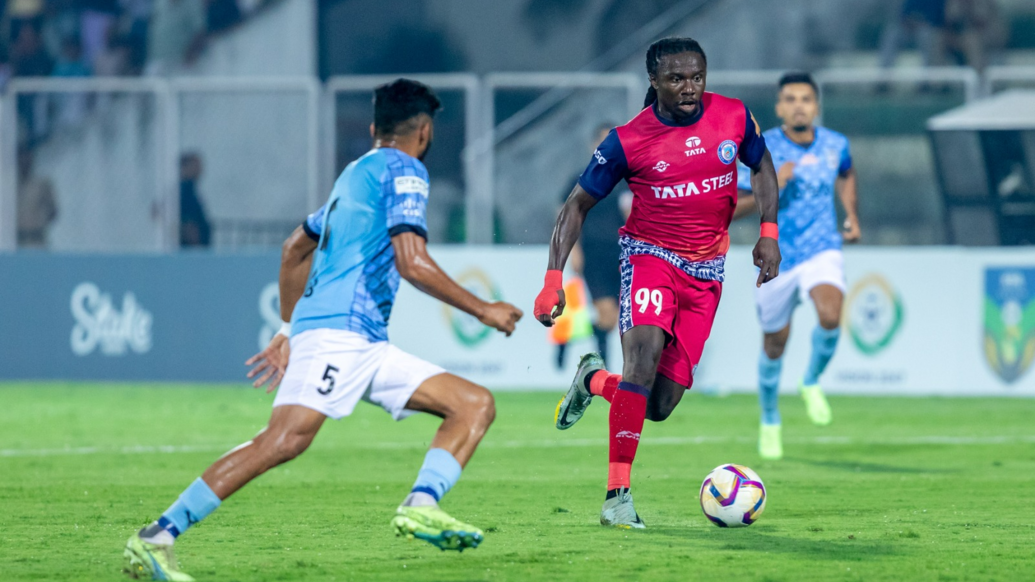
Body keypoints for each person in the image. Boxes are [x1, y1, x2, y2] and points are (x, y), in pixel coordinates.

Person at [123, 79, 524, 581]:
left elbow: (294, 247)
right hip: (341, 334)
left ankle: (421, 504)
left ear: (376, 128)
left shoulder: (354, 175)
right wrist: (482, 309)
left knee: (472, 404)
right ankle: (157, 536)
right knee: (283, 441)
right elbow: (412, 261)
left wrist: (290, 327)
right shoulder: (406, 170)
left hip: (361, 339)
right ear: (424, 131)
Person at [535, 37, 781, 529]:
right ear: (654, 81)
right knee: (641, 362)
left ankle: (592, 380)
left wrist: (769, 233)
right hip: (650, 258)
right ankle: (617, 499)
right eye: (676, 78)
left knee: (659, 405)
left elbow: (763, 165)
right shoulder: (628, 140)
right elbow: (575, 205)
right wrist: (552, 278)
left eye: (696, 77)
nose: (688, 88)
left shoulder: (733, 116)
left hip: (707, 271)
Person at [733, 72, 860, 461]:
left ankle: (811, 380)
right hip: (776, 257)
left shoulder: (836, 144)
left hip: (822, 248)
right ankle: (770, 418)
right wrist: (773, 186)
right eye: (790, 99)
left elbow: (846, 172)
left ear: (816, 106)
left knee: (830, 313)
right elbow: (734, 209)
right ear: (779, 107)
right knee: (775, 343)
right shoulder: (762, 147)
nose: (798, 105)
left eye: (805, 98)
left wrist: (851, 213)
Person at [554, 123, 632, 369]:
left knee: (619, 318)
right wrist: (573, 250)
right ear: (593, 146)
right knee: (607, 314)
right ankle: (603, 368)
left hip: (622, 255)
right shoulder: (581, 179)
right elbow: (564, 214)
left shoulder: (627, 180)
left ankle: (569, 336)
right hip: (594, 254)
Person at [16, 146, 57, 248]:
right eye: (21, 157)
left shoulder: (42, 184)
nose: (24, 161)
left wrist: (37, 221)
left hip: (37, 240)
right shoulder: (9, 186)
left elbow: (53, 211)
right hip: (16, 240)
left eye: (27, 157)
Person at [178, 152, 211, 247]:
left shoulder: (190, 190)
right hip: (192, 251)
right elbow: (189, 226)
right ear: (184, 168)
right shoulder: (184, 192)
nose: (200, 170)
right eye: (196, 166)